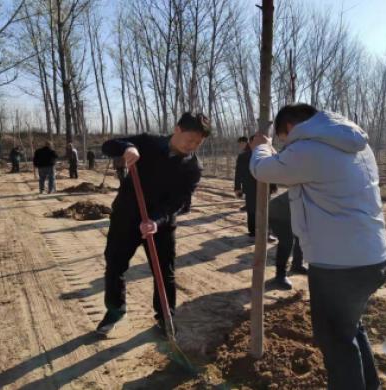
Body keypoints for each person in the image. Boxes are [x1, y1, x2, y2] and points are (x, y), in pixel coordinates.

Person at [249, 103, 386, 390]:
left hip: (338, 267)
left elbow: (262, 170)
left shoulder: (310, 149)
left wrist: (261, 146)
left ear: (290, 128)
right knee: (350, 328)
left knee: (335, 341)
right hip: (372, 259)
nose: (286, 146)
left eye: (284, 139)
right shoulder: (356, 145)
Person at [96, 112, 211, 337]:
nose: (193, 145)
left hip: (160, 225)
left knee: (165, 274)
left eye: (199, 142)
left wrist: (156, 221)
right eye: (191, 139)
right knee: (115, 265)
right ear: (177, 129)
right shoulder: (149, 142)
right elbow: (108, 146)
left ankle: (165, 317)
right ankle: (115, 310)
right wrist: (127, 147)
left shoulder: (192, 167)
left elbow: (180, 202)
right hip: (126, 218)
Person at [234, 135, 276, 241]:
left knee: (268, 210)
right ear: (251, 143)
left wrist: (274, 184)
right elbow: (238, 173)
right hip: (250, 187)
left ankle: (267, 233)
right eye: (256, 142)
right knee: (252, 210)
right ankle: (253, 233)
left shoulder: (268, 155)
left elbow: (272, 170)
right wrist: (237, 187)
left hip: (266, 186)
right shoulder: (243, 156)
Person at [268, 191, 307, 290]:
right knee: (287, 241)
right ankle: (280, 276)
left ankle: (297, 265)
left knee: (301, 235)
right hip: (278, 211)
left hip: (294, 212)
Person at [235, 136, 249, 212]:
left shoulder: (244, 155)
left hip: (248, 177)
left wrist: (237, 187)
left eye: (241, 144)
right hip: (246, 177)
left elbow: (238, 171)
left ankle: (249, 205)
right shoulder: (244, 153)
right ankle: (248, 205)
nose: (240, 146)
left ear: (245, 143)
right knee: (247, 192)